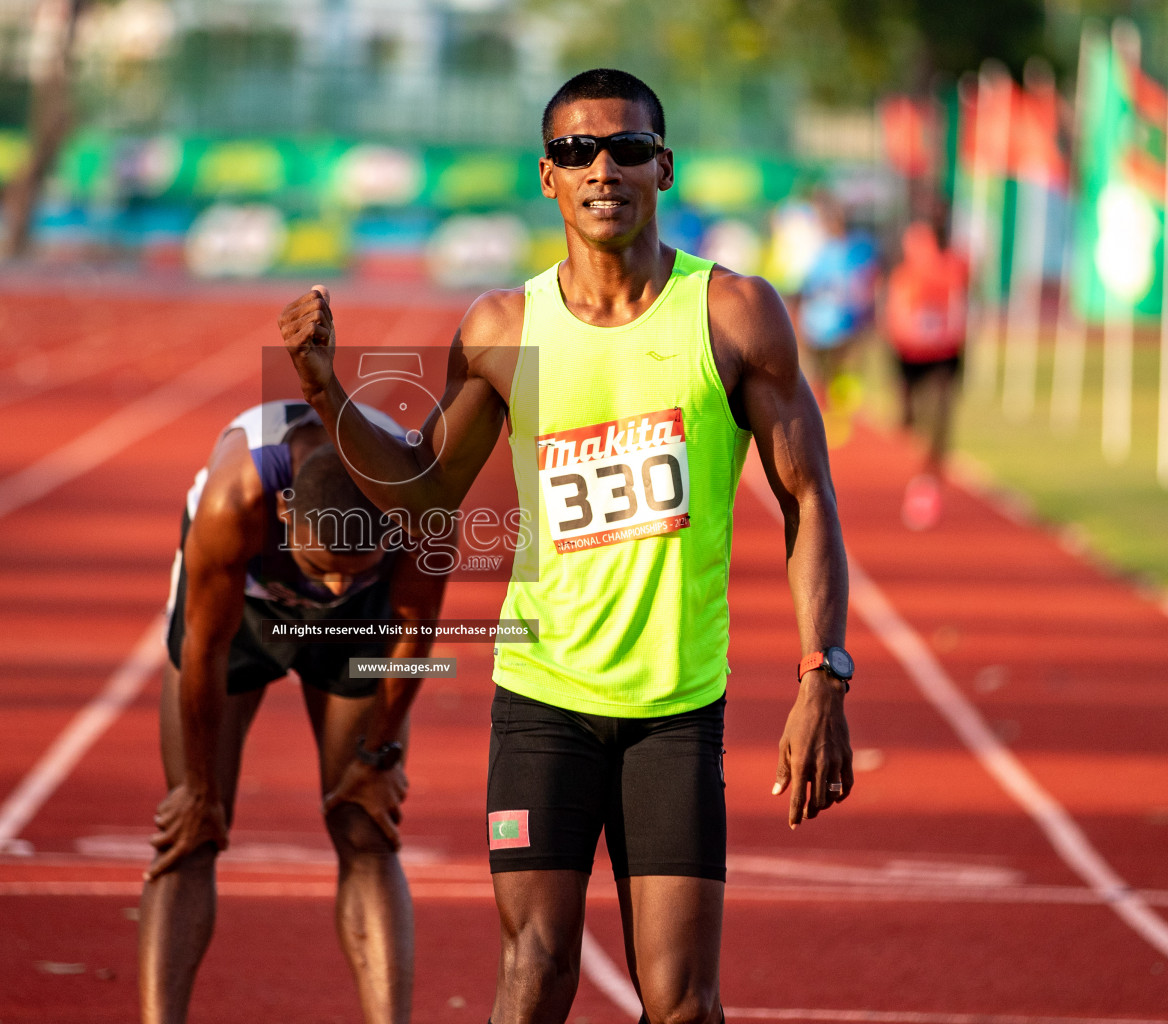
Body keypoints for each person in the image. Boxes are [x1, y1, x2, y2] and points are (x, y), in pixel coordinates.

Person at [279, 69, 855, 1024]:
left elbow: (808, 499)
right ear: (547, 176)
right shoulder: (505, 328)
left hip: (675, 708)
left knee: (680, 1003)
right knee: (536, 969)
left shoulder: (732, 314)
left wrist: (822, 674)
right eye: (578, 151)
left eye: (627, 148)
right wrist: (326, 388)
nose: (604, 168)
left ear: (663, 168)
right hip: (543, 698)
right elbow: (426, 496)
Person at [139, 399, 447, 1024]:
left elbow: (415, 636)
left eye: (351, 573)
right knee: (189, 833)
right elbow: (203, 650)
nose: (332, 591)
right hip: (242, 609)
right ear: (285, 516)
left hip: (363, 629)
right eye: (320, 569)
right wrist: (198, 786)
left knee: (366, 827)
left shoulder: (417, 506)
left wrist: (379, 754)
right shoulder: (237, 500)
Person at [884, 218, 967, 530]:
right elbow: (895, 316)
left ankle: (926, 484)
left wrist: (945, 338)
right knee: (911, 422)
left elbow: (958, 313)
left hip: (941, 358)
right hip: (910, 359)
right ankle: (923, 475)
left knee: (939, 422)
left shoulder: (950, 271)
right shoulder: (904, 276)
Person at [796, 192, 877, 404]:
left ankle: (841, 411)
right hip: (819, 324)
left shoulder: (858, 249)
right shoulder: (819, 250)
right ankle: (826, 410)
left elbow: (868, 282)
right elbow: (808, 286)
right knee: (822, 374)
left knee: (843, 371)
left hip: (845, 323)